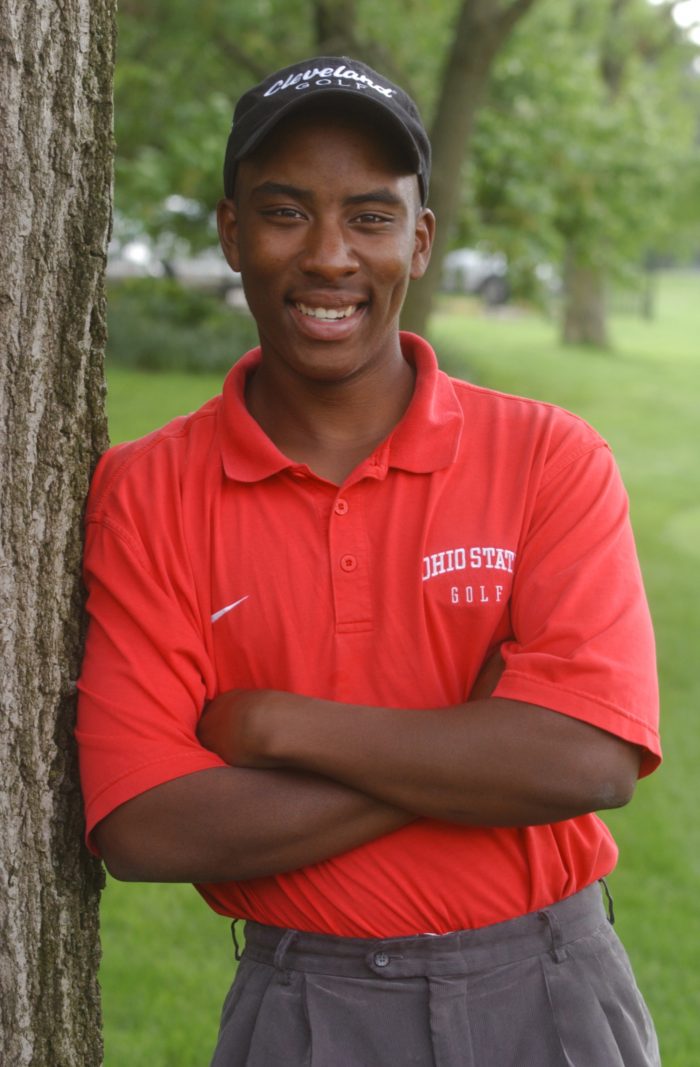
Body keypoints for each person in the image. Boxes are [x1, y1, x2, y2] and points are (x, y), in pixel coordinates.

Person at [77, 56, 662, 1066]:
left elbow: (588, 759)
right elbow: (146, 826)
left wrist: (278, 723)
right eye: (286, 211)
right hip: (303, 1001)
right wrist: (475, 744)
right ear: (231, 234)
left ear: (420, 240)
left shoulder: (547, 456)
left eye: (370, 216)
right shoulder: (148, 489)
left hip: (548, 988)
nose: (330, 255)